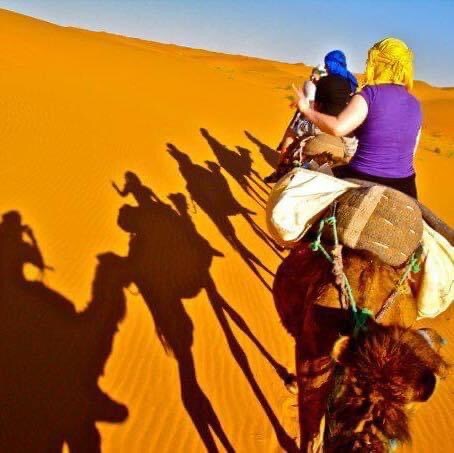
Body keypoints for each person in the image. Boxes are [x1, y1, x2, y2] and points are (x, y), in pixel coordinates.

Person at [293, 38, 421, 198]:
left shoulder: (369, 95)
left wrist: (306, 109)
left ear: (376, 61)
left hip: (362, 177)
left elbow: (338, 128)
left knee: (304, 192)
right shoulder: (416, 104)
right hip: (405, 186)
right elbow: (413, 150)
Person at [265, 51, 357, 183]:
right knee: (351, 154)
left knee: (291, 133)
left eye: (327, 65)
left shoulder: (323, 81)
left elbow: (315, 104)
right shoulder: (350, 83)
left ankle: (280, 169)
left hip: (320, 123)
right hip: (344, 126)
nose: (326, 68)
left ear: (330, 65)